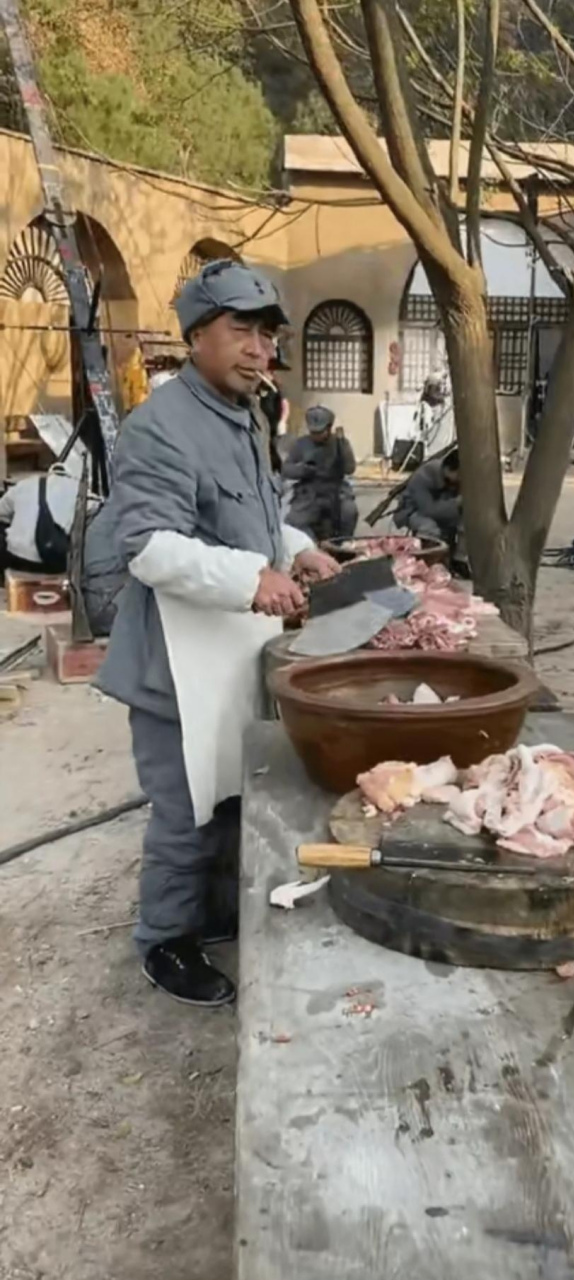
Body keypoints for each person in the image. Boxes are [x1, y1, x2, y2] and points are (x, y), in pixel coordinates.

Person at [96, 258, 339, 1008]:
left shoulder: (245, 414)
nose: (258, 348)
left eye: (266, 334)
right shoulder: (161, 425)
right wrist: (251, 579)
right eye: (241, 330)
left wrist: (296, 546)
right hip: (175, 664)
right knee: (183, 812)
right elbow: (148, 545)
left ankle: (214, 912)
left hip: (233, 654)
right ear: (197, 334)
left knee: (233, 797)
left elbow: (252, 517)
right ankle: (165, 941)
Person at [282, 405, 358, 541]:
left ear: (328, 429)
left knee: (349, 511)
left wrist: (342, 448)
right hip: (311, 492)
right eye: (313, 432)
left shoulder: (340, 442)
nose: (316, 436)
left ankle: (344, 544)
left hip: (336, 489)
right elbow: (286, 469)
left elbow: (350, 468)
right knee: (294, 520)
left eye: (320, 432)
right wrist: (303, 470)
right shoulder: (301, 444)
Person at [0, 468, 82, 575]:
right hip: (57, 560)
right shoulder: (80, 490)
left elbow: (1, 513)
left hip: (17, 557)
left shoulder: (24, 485)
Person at [393, 448, 461, 547]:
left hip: (440, 509)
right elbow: (428, 510)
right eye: (459, 474)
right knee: (430, 529)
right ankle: (426, 556)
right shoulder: (424, 476)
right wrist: (456, 503)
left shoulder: (450, 479)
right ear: (448, 469)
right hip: (414, 511)